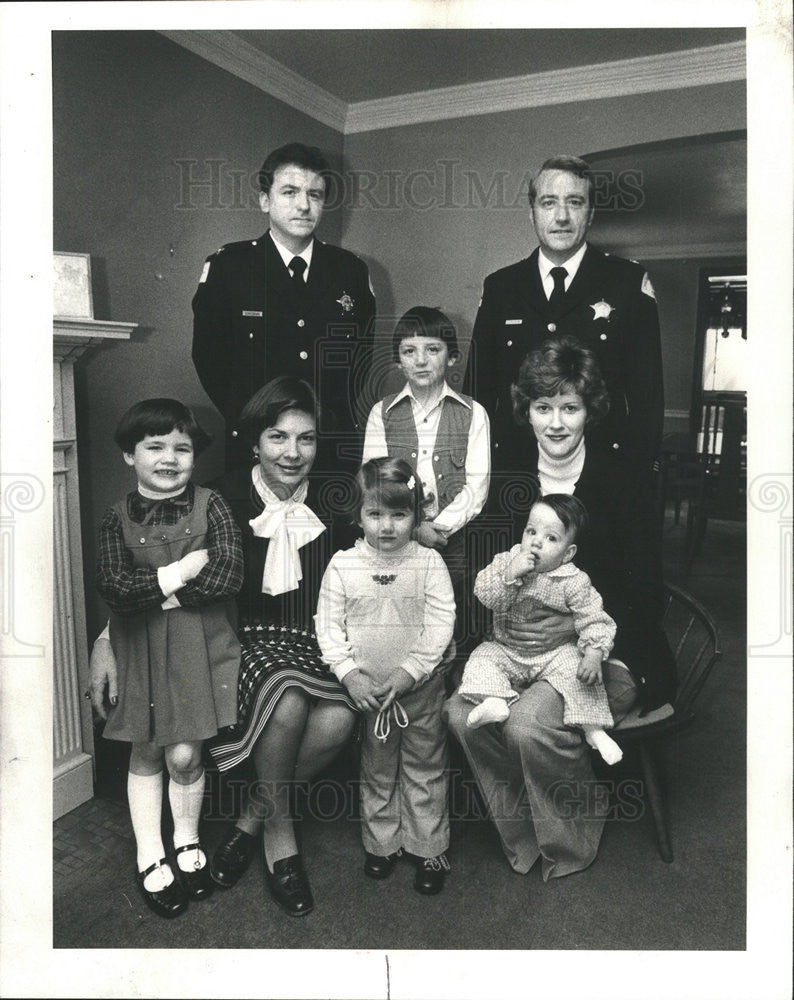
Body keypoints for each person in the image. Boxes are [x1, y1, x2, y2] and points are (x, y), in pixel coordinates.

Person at [445, 337, 675, 880]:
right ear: (525, 409)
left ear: (588, 411)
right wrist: (517, 633)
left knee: (527, 726)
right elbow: (491, 574)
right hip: (521, 648)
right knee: (460, 714)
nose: (555, 422)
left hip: (608, 650)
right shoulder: (507, 481)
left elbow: (647, 593)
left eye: (569, 407)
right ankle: (524, 830)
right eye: (542, 406)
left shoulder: (623, 478)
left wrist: (574, 631)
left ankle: (571, 834)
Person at [204, 377, 360, 918]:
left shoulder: (337, 497)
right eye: (277, 437)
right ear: (254, 442)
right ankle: (279, 836)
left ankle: (251, 815)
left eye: (306, 439)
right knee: (288, 697)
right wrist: (109, 640)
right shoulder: (221, 496)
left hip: (317, 639)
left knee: (340, 717)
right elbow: (167, 576)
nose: (293, 453)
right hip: (245, 639)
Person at [91, 399, 244, 918]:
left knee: (185, 755)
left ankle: (185, 838)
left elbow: (227, 577)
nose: (169, 457)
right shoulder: (115, 519)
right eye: (154, 446)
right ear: (128, 456)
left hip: (200, 645)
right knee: (148, 751)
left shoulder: (213, 505)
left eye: (181, 447)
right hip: (140, 649)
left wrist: (150, 592)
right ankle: (149, 853)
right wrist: (176, 575)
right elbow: (115, 588)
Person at [467, 154, 663, 477]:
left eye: (574, 202)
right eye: (548, 203)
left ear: (591, 214)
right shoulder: (501, 287)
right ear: (531, 214)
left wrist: (637, 478)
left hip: (602, 475)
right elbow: (478, 393)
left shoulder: (627, 283)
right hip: (514, 472)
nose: (561, 216)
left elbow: (648, 398)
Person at [315, 457, 456, 895]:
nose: (387, 526)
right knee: (377, 768)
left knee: (425, 767)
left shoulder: (429, 563)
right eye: (375, 514)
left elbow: (440, 623)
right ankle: (382, 843)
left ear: (416, 515)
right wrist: (350, 675)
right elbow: (328, 626)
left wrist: (410, 672)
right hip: (371, 695)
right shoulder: (342, 565)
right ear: (358, 514)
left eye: (400, 514)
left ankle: (428, 846)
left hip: (419, 691)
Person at [192, 142, 377, 469]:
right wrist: (254, 425)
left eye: (315, 195)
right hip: (257, 446)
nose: (304, 205)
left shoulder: (350, 270)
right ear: (265, 200)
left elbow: (360, 360)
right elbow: (210, 358)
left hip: (329, 447)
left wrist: (326, 421)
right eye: (290, 192)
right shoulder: (230, 267)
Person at [458, 494, 623, 767]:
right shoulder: (506, 561)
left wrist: (593, 653)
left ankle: (593, 729)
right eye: (531, 531)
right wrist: (510, 574)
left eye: (551, 538)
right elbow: (486, 595)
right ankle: (494, 701)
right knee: (481, 658)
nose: (536, 542)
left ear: (568, 553)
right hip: (507, 649)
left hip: (554, 653)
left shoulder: (574, 581)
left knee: (577, 673)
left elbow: (594, 618)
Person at [362, 306, 490, 584]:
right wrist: (416, 528)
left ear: (452, 357)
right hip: (395, 534)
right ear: (398, 360)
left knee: (451, 612)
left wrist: (439, 529)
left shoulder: (474, 413)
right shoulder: (381, 413)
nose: (420, 360)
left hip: (452, 540)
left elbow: (476, 488)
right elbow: (375, 482)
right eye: (409, 351)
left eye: (432, 349)